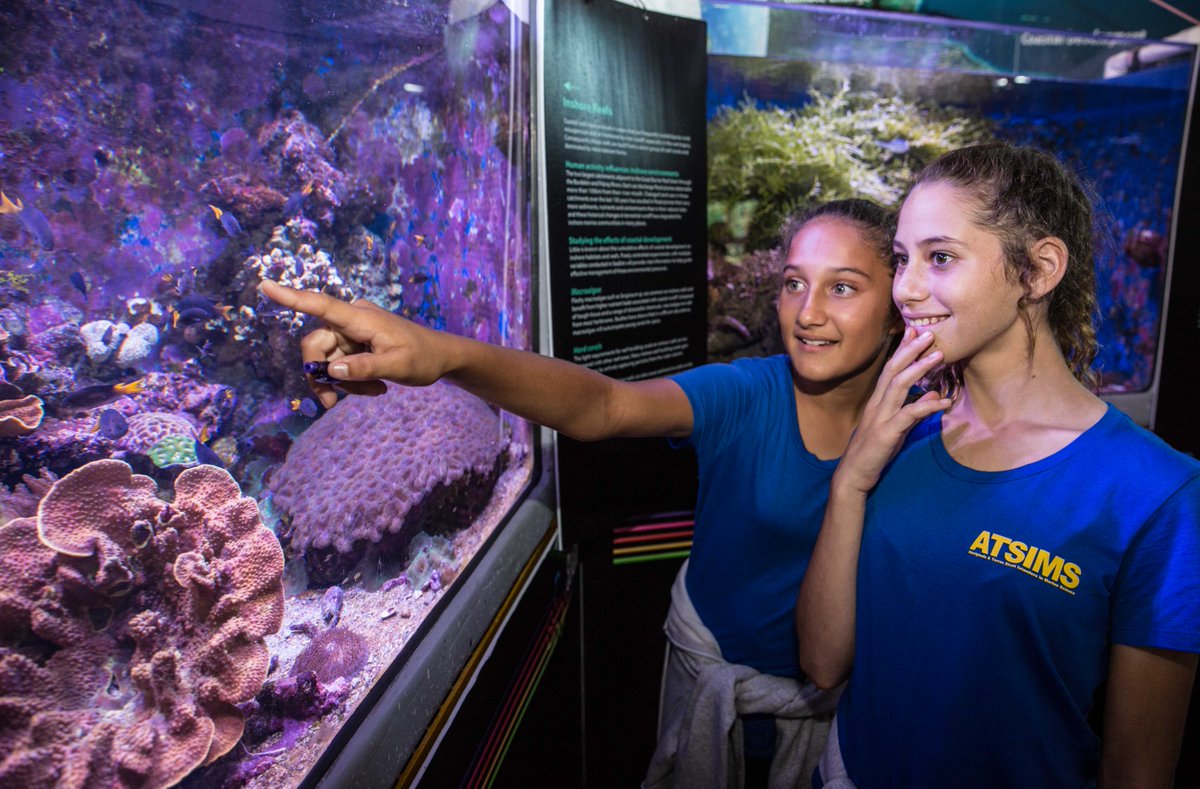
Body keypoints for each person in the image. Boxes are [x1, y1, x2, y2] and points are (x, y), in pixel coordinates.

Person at [261, 198, 902, 788]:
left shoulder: (929, 430)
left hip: (848, 711)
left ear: (901, 302)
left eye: (842, 287)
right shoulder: (746, 395)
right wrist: (445, 354)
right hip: (711, 682)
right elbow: (604, 406)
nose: (809, 312)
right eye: (795, 282)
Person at [795, 143, 1200, 787]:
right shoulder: (900, 429)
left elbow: (1137, 768)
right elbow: (821, 662)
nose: (907, 288)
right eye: (902, 259)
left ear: (1038, 271)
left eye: (941, 257)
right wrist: (850, 479)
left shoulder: (1155, 494)